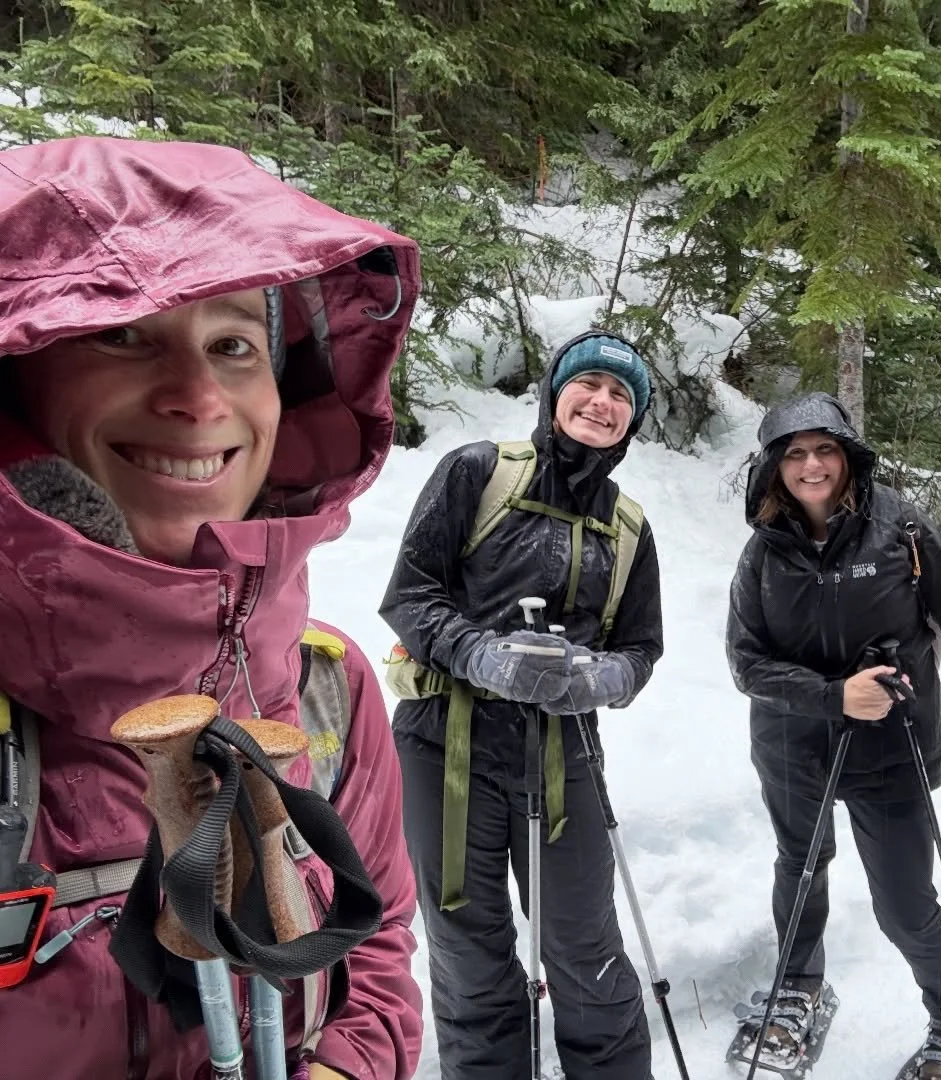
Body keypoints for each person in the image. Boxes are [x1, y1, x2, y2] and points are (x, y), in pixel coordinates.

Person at [0, 137, 424, 1078]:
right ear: (16, 375)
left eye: (234, 345)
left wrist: (346, 1067)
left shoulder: (325, 682)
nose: (198, 397)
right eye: (121, 333)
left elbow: (381, 944)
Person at [724, 392, 941, 1080]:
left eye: (825, 450)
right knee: (799, 868)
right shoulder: (762, 552)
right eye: (794, 453)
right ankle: (797, 990)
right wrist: (830, 695)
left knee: (907, 904)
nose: (812, 465)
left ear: (849, 458)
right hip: (793, 746)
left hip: (893, 744)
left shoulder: (902, 531)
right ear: (773, 468)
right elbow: (746, 662)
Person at [379, 330, 664, 1079]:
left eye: (622, 395)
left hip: (563, 753)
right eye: (590, 383)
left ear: (632, 421)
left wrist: (599, 680)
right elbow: (410, 597)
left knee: (584, 944)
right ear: (556, 390)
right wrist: (483, 654)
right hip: (447, 741)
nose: (602, 403)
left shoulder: (628, 526)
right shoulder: (479, 472)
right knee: (468, 949)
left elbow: (641, 650)